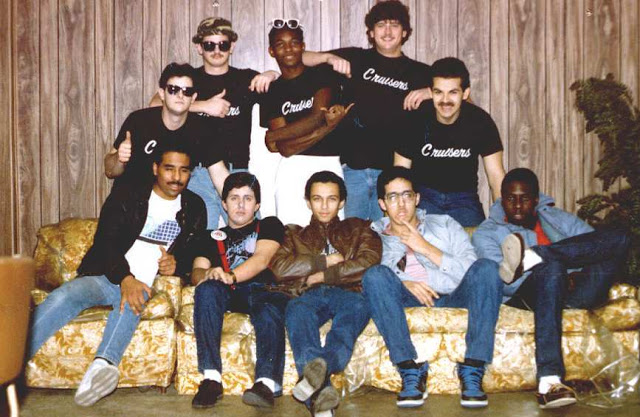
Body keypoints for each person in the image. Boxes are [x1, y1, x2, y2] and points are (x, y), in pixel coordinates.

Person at [28, 141, 206, 406]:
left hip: (147, 283)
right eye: (169, 169)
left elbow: (194, 251)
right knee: (65, 295)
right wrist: (125, 278)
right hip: (106, 275)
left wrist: (176, 265)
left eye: (184, 170)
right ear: (155, 168)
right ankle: (11, 357)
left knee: (132, 301)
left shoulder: (194, 207)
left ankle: (101, 368)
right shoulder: (128, 194)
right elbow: (105, 242)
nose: (176, 177)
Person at [471, 168, 630, 409]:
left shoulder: (556, 218)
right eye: (510, 198)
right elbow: (503, 280)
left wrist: (572, 273)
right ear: (502, 200)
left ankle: (537, 256)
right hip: (525, 295)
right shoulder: (487, 232)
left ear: (536, 200)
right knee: (551, 268)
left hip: (573, 291)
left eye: (524, 198)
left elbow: (593, 246)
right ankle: (549, 381)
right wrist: (557, 270)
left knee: (620, 238)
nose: (517, 205)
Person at [361, 167, 503, 408]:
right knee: (375, 275)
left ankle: (473, 367)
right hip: (406, 297)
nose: (401, 204)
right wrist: (403, 281)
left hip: (453, 294)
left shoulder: (445, 224)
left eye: (407, 195)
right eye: (393, 197)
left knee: (488, 268)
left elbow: (472, 270)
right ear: (382, 204)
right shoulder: (371, 237)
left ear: (417, 198)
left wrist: (425, 248)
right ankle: (409, 369)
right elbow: (367, 279)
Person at [302, 0, 432, 221]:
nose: (387, 31)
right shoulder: (357, 58)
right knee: (353, 234)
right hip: (354, 170)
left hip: (395, 173)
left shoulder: (420, 72)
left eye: (394, 25)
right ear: (371, 32)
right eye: (381, 25)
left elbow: (462, 95)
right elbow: (302, 58)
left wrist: (432, 92)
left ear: (405, 32)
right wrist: (328, 57)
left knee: (390, 235)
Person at [269, 171, 382, 417]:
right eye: (317, 199)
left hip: (349, 292)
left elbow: (369, 261)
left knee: (355, 311)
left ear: (342, 202)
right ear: (308, 202)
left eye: (331, 199)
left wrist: (324, 275)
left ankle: (319, 373)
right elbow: (279, 268)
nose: (324, 206)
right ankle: (322, 390)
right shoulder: (292, 234)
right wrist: (323, 262)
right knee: (296, 310)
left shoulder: (360, 228)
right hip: (308, 294)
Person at [149, 18, 277, 229]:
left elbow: (285, 82)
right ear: (199, 48)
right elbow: (155, 104)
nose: (216, 50)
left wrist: (271, 74)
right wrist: (204, 106)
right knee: (199, 238)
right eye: (209, 45)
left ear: (231, 47)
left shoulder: (246, 78)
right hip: (197, 175)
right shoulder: (189, 79)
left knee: (252, 236)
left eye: (223, 45)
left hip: (237, 171)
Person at [189, 172, 290, 410]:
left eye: (247, 198)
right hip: (227, 292)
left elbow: (262, 259)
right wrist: (209, 273)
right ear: (224, 204)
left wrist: (232, 275)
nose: (241, 205)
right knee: (206, 289)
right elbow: (196, 273)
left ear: (257, 205)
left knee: (269, 307)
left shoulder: (269, 225)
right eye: (234, 198)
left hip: (263, 289)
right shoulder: (209, 237)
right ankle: (211, 379)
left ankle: (266, 384)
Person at [105, 62, 229, 222]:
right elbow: (110, 171)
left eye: (187, 91)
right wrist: (119, 159)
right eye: (173, 89)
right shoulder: (139, 121)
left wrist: (237, 201)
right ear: (162, 94)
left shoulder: (202, 129)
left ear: (193, 98)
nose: (180, 95)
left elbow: (219, 174)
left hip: (170, 211)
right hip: (127, 207)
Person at [395, 57, 506, 227]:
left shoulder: (481, 121)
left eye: (453, 92)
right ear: (430, 92)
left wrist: (502, 222)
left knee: (479, 240)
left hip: (465, 200)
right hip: (424, 198)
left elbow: (496, 176)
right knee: (417, 240)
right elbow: (399, 173)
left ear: (465, 93)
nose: (445, 100)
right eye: (439, 92)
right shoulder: (414, 120)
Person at [261, 21, 351, 227]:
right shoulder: (273, 91)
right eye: (280, 44)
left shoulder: (322, 75)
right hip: (291, 168)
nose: (288, 49)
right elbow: (284, 149)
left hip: (328, 163)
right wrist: (327, 128)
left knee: (332, 233)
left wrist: (274, 135)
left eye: (294, 43)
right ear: (271, 51)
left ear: (303, 46)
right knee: (291, 232)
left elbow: (317, 117)